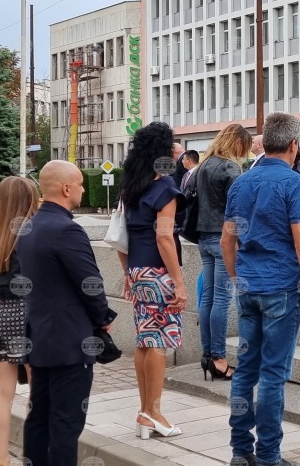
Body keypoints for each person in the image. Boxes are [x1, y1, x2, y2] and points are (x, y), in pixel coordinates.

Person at [221, 112, 300, 466]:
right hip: (281, 287)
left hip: (248, 287)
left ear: (265, 142)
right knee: (272, 375)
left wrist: (237, 278)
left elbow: (226, 242)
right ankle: (268, 456)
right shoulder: (293, 183)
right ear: (294, 144)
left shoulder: (241, 183)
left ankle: (240, 451)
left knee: (245, 370)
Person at [16, 160, 117, 466]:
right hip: (70, 342)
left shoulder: (28, 227)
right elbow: (90, 284)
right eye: (81, 184)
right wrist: (103, 319)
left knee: (38, 418)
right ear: (66, 188)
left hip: (39, 337)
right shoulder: (67, 230)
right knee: (65, 425)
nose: (83, 189)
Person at [119, 122, 188, 440]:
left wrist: (127, 274)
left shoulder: (132, 187)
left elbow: (121, 237)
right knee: (158, 343)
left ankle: (145, 411)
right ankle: (153, 413)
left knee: (144, 341)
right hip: (159, 272)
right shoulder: (166, 189)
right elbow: (164, 237)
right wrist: (179, 281)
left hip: (137, 269)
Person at [0, 176, 38, 466]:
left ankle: (1, 459)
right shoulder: (31, 231)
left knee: (4, 393)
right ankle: (33, 455)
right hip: (27, 312)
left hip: (0, 313)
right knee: (37, 393)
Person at [195, 123, 252, 381]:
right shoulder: (230, 168)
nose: (244, 154)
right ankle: (218, 358)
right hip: (223, 239)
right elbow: (240, 208)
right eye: (244, 147)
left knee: (207, 298)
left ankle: (207, 354)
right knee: (221, 299)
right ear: (237, 142)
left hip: (203, 237)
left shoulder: (204, 165)